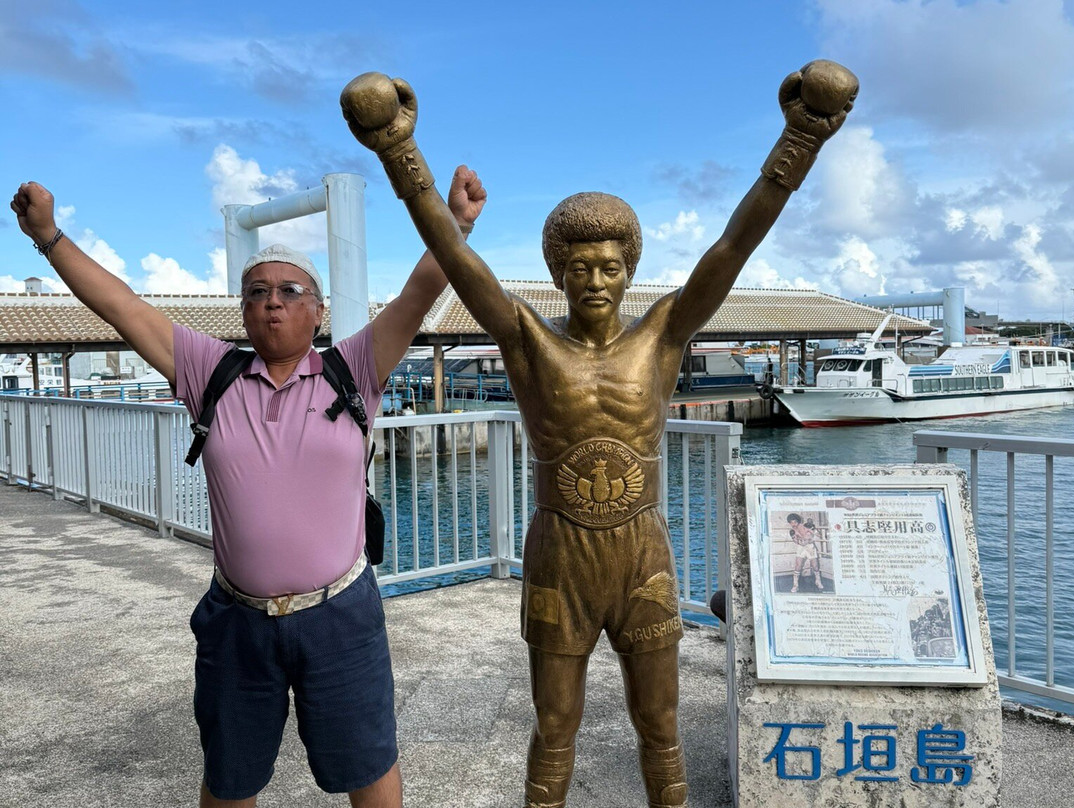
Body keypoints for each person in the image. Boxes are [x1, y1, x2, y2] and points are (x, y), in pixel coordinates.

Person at [342, 61, 856, 808]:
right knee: (555, 725)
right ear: (558, 273)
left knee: (661, 723)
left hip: (643, 550)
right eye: (579, 268)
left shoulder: (664, 335)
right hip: (560, 553)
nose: (594, 282)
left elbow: (732, 247)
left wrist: (800, 139)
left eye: (610, 268)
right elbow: (457, 258)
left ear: (629, 272)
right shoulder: (527, 339)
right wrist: (399, 150)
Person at [9, 168, 486, 808]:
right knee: (230, 775)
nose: (272, 302)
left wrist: (455, 224)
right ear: (243, 311)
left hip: (341, 617)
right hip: (237, 620)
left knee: (368, 765)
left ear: (318, 311)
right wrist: (48, 237)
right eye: (257, 292)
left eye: (290, 290)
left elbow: (418, 293)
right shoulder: (210, 370)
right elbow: (122, 307)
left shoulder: (354, 368)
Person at [787, 512, 823, 593]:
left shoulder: (806, 526)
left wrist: (813, 530)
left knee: (815, 566)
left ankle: (818, 581)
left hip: (810, 547)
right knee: (798, 566)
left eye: (795, 522)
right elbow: (796, 541)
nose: (793, 524)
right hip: (801, 548)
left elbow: (819, 535)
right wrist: (801, 542)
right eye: (791, 523)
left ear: (798, 521)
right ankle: (795, 585)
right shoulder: (792, 531)